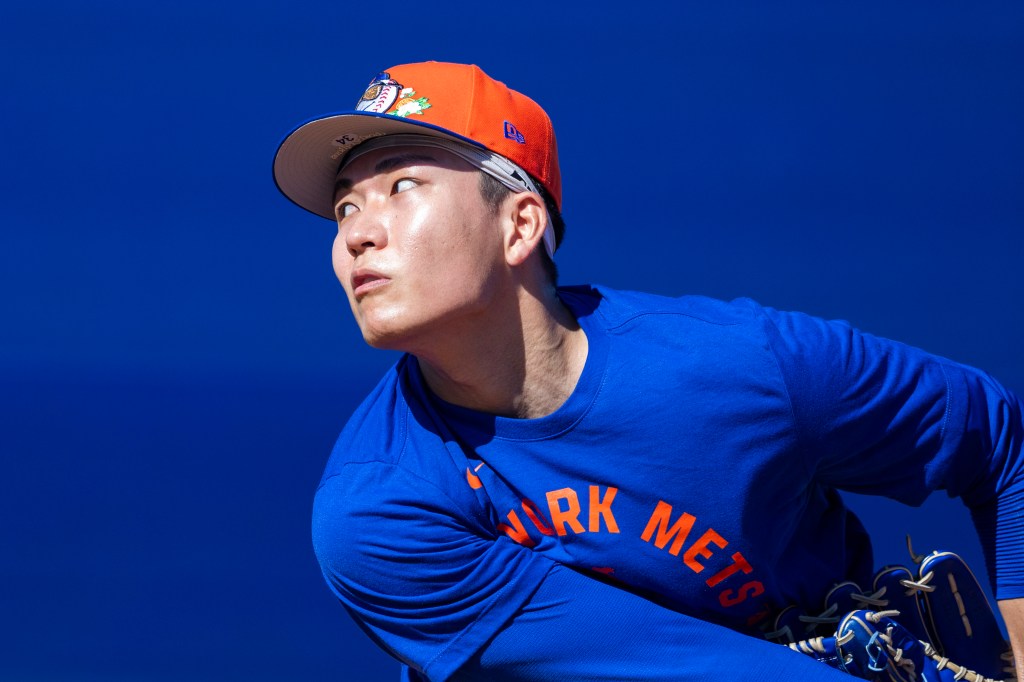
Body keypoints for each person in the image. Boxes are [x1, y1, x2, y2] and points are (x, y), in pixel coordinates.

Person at [273, 61, 1023, 681]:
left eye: (402, 187)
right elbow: (674, 665)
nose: (357, 235)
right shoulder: (379, 511)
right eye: (344, 207)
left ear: (520, 226)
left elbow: (999, 445)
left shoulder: (745, 369)